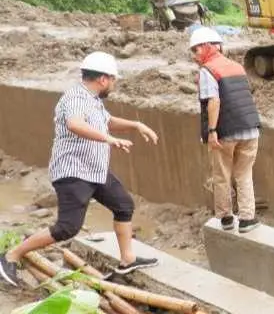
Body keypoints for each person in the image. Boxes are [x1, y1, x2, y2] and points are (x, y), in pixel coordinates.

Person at [0, 52, 160, 287]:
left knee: (123, 205)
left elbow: (108, 121)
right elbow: (75, 124)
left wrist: (136, 125)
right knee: (67, 228)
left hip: (95, 171)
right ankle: (11, 256)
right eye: (114, 80)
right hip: (74, 172)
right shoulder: (75, 97)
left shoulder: (93, 100)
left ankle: (128, 260)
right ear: (103, 79)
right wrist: (109, 139)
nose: (114, 85)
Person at [190, 27, 262, 233]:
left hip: (225, 132)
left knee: (221, 174)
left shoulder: (208, 70)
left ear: (208, 47)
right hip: (249, 128)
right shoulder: (237, 66)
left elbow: (214, 101)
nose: (194, 55)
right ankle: (247, 219)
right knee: (244, 174)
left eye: (196, 50)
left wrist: (212, 131)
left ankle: (226, 218)